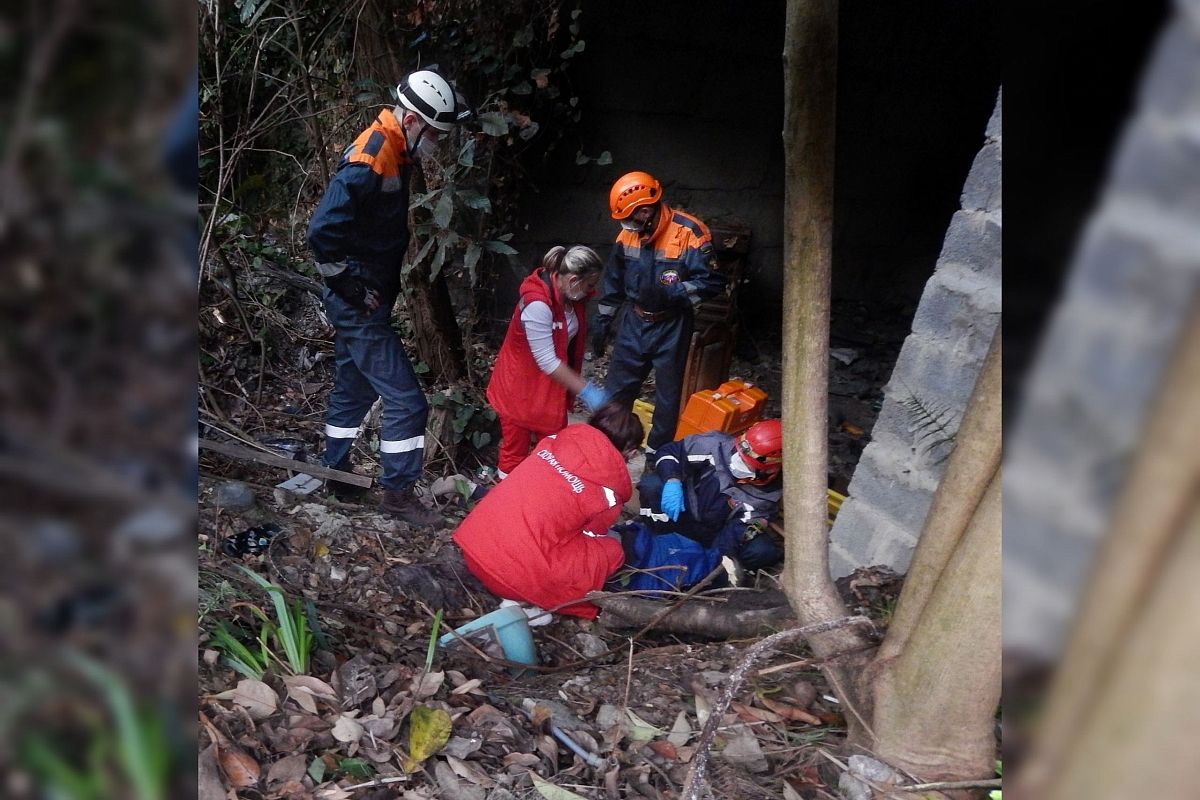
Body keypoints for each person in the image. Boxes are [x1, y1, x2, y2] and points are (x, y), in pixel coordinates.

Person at [305, 69, 470, 527]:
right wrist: (351, 288)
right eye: (435, 133)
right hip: (358, 300)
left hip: (365, 296)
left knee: (352, 389)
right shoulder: (372, 157)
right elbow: (321, 234)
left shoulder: (395, 149)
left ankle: (336, 474)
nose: (436, 143)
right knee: (407, 401)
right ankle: (398, 495)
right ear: (413, 121)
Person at [452, 403, 645, 621]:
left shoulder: (552, 443)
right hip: (511, 575)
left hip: (475, 548)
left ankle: (521, 595)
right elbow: (590, 537)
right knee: (612, 550)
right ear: (631, 452)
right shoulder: (608, 489)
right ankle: (534, 601)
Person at [590, 171, 728, 461]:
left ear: (645, 209)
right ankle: (607, 449)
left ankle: (657, 458)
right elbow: (613, 283)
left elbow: (713, 282)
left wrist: (676, 293)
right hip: (634, 321)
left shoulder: (690, 233)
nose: (627, 224)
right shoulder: (627, 235)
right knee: (617, 391)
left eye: (631, 216)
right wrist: (602, 322)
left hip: (672, 325)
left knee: (668, 396)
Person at [487, 245, 610, 478]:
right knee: (514, 454)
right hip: (520, 390)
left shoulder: (570, 297)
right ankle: (506, 500)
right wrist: (587, 391)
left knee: (553, 450)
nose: (592, 291)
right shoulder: (537, 305)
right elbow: (546, 360)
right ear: (573, 280)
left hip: (549, 388)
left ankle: (538, 495)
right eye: (590, 285)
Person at [629, 419, 785, 587]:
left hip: (716, 534)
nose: (737, 464)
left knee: (761, 550)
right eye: (739, 456)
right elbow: (670, 452)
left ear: (771, 469)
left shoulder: (767, 495)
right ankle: (654, 535)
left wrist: (711, 557)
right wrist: (672, 480)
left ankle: (716, 575)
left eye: (747, 464)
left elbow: (737, 530)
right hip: (683, 511)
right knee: (652, 485)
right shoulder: (715, 445)